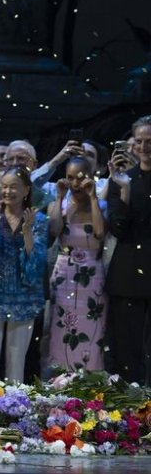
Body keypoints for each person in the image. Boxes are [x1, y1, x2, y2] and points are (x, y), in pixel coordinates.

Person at [0, 166, 48, 382]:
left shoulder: (39, 220)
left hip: (24, 301)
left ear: (26, 190)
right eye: (4, 186)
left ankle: (15, 403)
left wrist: (27, 232)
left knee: (16, 365)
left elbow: (37, 266)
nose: (7, 191)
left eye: (13, 187)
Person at [47, 157, 107, 372]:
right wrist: (59, 197)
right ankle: (59, 377)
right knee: (61, 327)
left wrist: (93, 198)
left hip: (92, 277)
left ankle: (89, 377)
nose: (75, 183)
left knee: (91, 327)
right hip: (64, 273)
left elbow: (99, 233)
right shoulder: (60, 204)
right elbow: (54, 231)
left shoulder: (101, 205)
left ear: (90, 177)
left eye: (80, 178)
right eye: (70, 177)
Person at [106, 116, 151, 385]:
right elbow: (118, 228)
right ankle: (130, 404)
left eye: (150, 141)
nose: (144, 147)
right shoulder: (122, 179)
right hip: (128, 275)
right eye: (140, 141)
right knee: (126, 349)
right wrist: (124, 191)